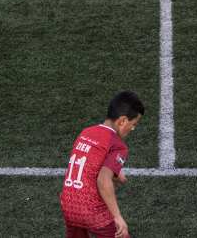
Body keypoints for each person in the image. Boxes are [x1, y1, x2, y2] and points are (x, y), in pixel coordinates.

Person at [60, 91, 146, 238]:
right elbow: (103, 179)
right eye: (133, 124)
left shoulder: (86, 132)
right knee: (121, 234)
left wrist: (117, 174)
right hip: (92, 209)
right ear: (122, 121)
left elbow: (88, 163)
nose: (133, 129)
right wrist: (117, 217)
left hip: (68, 204)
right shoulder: (118, 145)